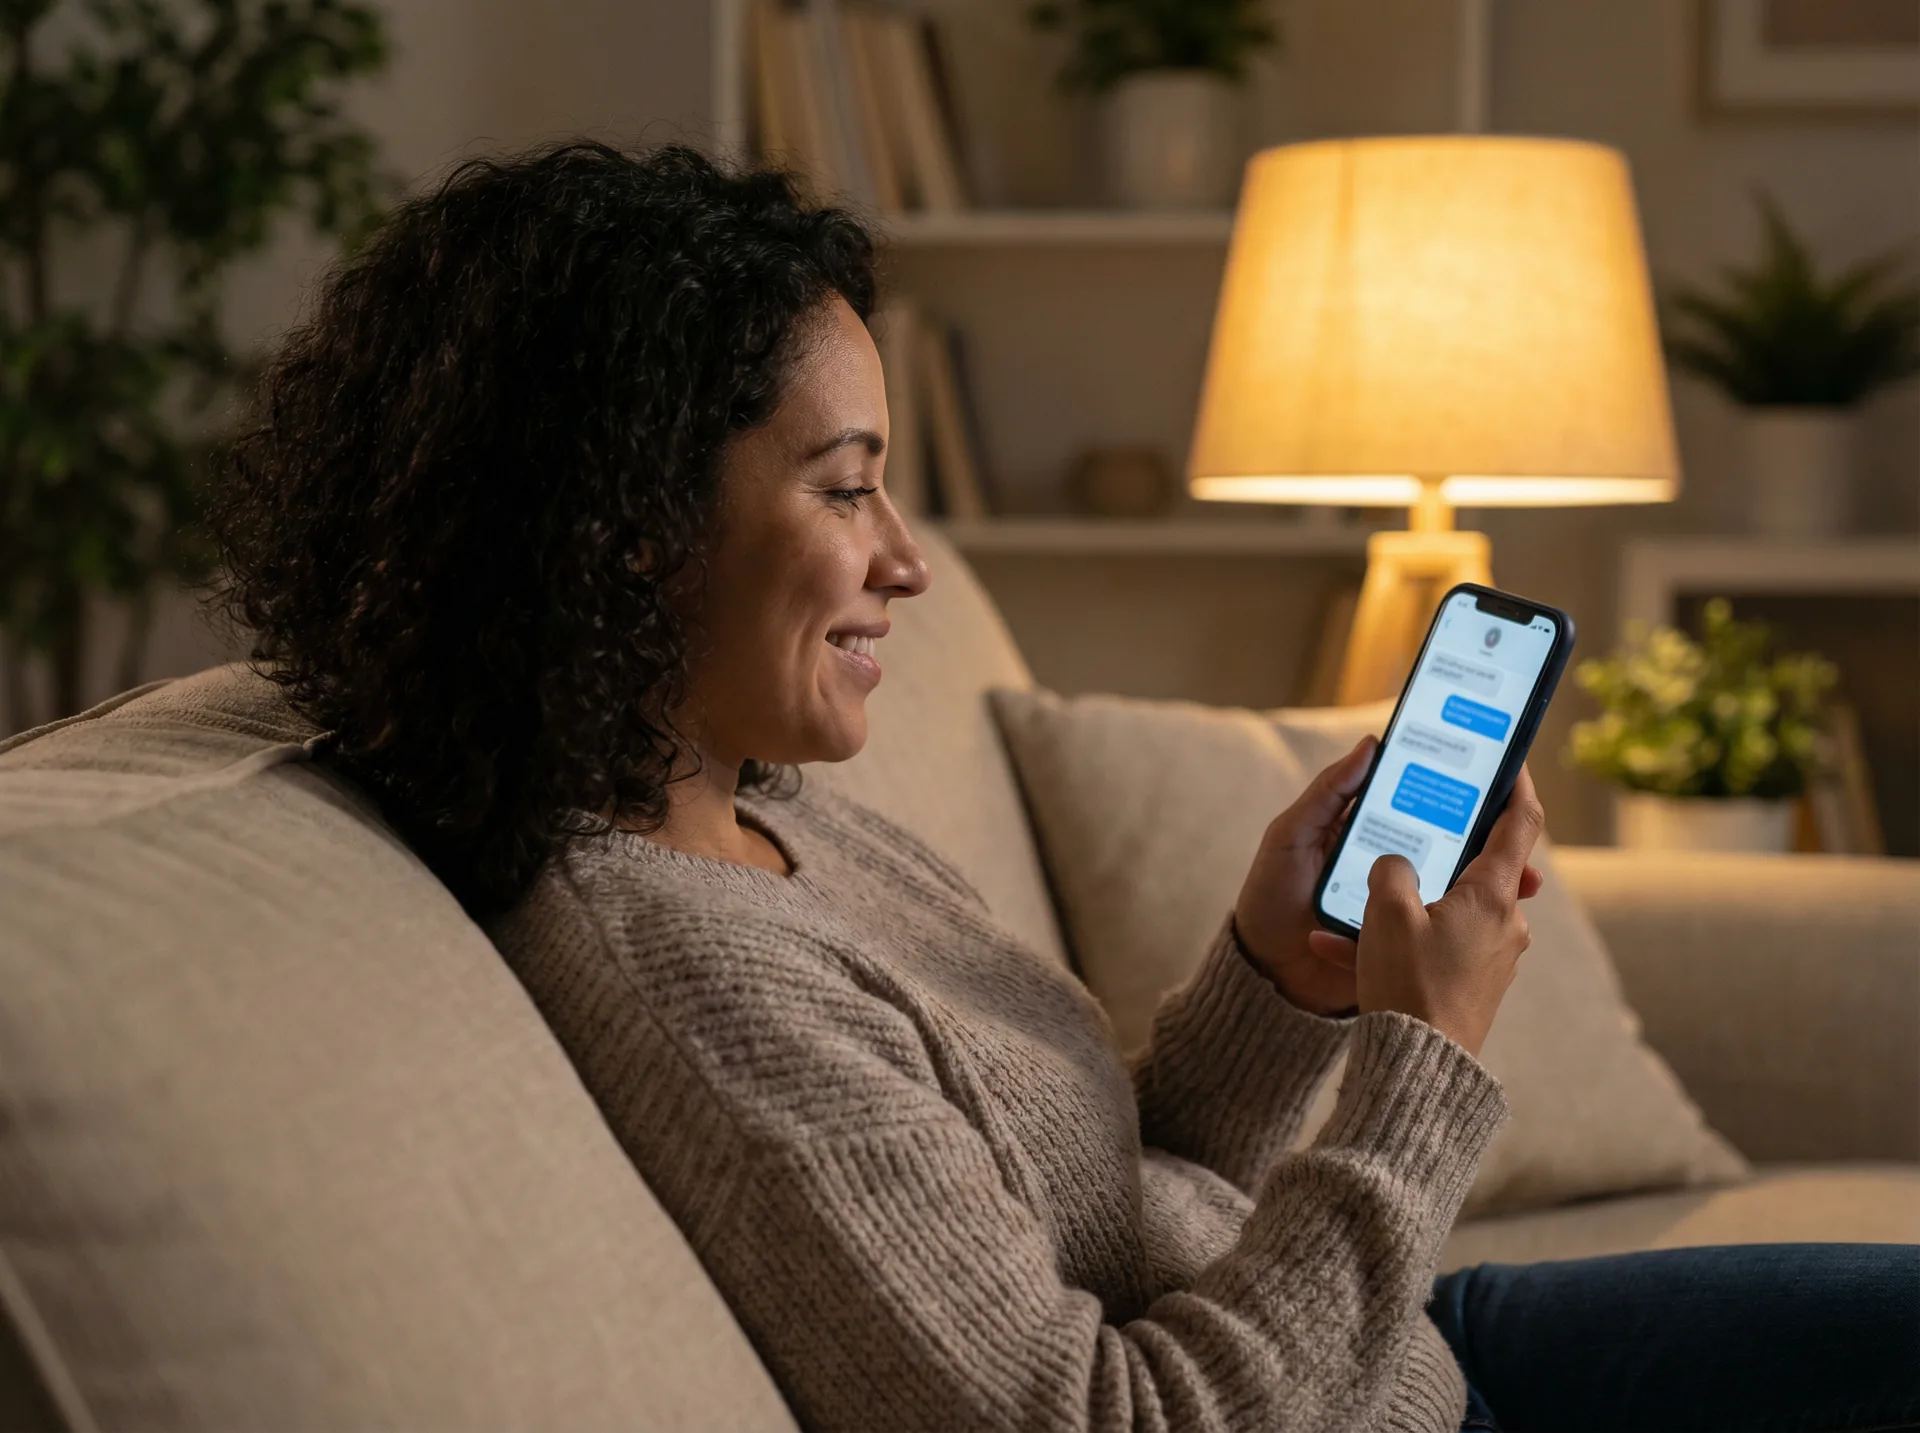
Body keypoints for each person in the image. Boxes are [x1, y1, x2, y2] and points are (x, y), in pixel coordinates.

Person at [211, 140, 1919, 1433]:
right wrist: (1422, 1072)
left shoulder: (763, 811)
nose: (908, 561)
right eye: (846, 489)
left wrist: (1272, 983)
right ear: (625, 528)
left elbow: (1094, 1210)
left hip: (1404, 1359)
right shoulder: (695, 977)